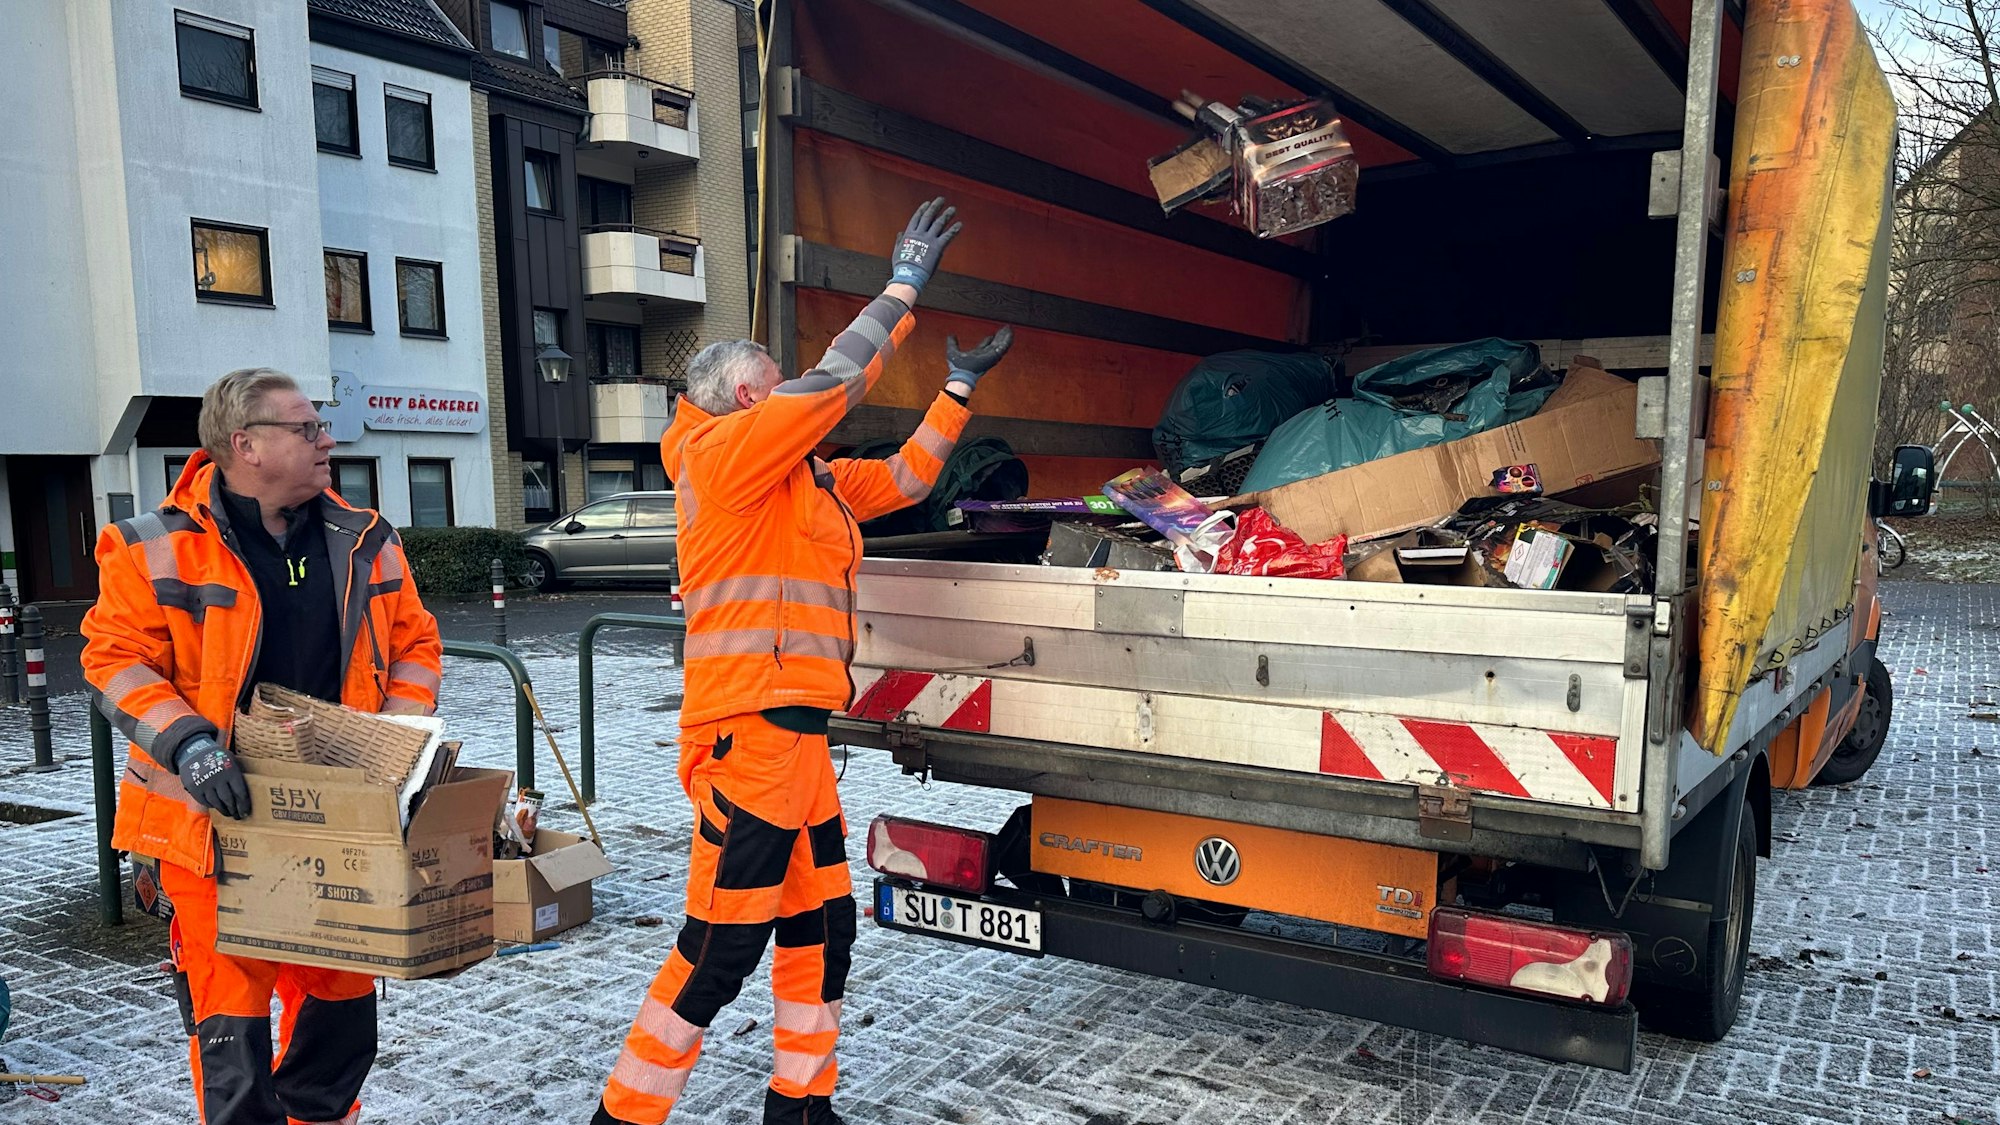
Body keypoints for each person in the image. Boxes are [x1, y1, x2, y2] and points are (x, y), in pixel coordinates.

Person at [593, 198, 1013, 1125]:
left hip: (799, 747)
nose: (794, 394)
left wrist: (956, 393)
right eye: (777, 383)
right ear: (750, 398)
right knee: (716, 951)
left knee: (823, 933)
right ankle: (624, 1115)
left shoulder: (803, 479)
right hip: (749, 739)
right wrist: (903, 287)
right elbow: (835, 381)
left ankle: (803, 1105)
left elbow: (905, 481)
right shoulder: (725, 455)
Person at [82, 368, 443, 1125]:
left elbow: (414, 644)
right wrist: (190, 745)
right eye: (307, 428)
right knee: (233, 1033)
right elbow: (113, 659)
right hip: (210, 826)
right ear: (245, 445)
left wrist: (395, 742)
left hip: (332, 822)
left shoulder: (364, 536)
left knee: (340, 1022)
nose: (326, 439)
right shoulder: (153, 545)